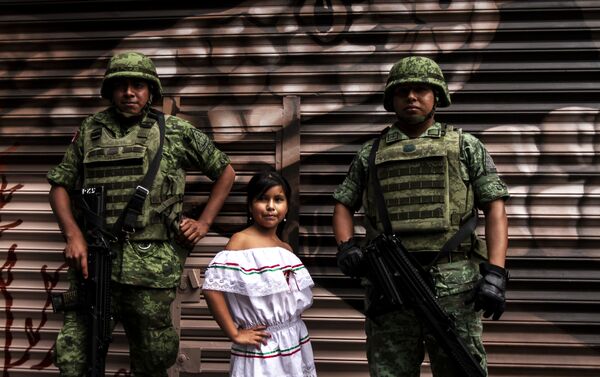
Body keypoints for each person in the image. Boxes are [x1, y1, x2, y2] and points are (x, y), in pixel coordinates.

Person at [47, 51, 236, 376]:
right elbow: (59, 186)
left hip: (151, 271)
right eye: (121, 85)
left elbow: (225, 172)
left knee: (152, 360)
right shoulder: (90, 130)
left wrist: (203, 222)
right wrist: (73, 235)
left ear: (151, 90)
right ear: (110, 90)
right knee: (75, 361)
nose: (130, 92)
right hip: (92, 267)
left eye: (138, 85)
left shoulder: (175, 131)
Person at [331, 56, 510, 376]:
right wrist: (346, 247)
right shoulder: (370, 153)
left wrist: (496, 272)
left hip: (454, 285)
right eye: (402, 92)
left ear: (436, 95)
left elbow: (495, 206)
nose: (411, 97)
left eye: (420, 90)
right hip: (391, 286)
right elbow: (343, 203)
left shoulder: (465, 146)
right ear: (391, 100)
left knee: (460, 368)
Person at [202, 170, 317, 377]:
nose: (271, 206)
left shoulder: (285, 249)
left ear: (287, 206)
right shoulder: (241, 241)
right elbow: (212, 289)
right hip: (261, 344)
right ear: (250, 205)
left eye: (278, 199)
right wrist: (235, 333)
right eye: (263, 199)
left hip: (294, 339)